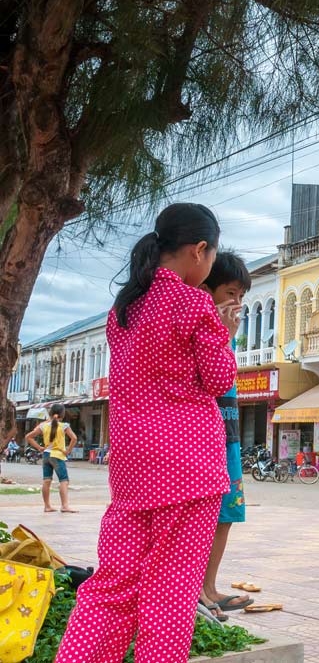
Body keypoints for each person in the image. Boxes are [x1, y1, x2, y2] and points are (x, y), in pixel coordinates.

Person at [56, 203, 239, 663]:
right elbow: (219, 379)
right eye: (213, 257)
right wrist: (224, 330)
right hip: (189, 468)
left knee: (111, 587)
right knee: (169, 597)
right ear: (199, 250)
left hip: (134, 468)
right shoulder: (193, 301)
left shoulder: (124, 308)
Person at [198, 251, 254, 619]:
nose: (236, 303)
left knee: (227, 513)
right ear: (207, 288)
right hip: (204, 435)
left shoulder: (228, 332)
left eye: (241, 297)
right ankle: (195, 592)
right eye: (230, 293)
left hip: (228, 435)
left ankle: (209, 587)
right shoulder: (201, 324)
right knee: (203, 515)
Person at [25, 404, 78, 513]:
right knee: (64, 481)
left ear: (50, 413)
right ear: (62, 415)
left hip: (46, 455)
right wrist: (68, 451)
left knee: (47, 480)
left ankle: (47, 506)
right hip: (57, 456)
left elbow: (28, 437)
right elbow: (74, 438)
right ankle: (64, 506)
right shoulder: (64, 426)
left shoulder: (43, 426)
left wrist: (39, 447)